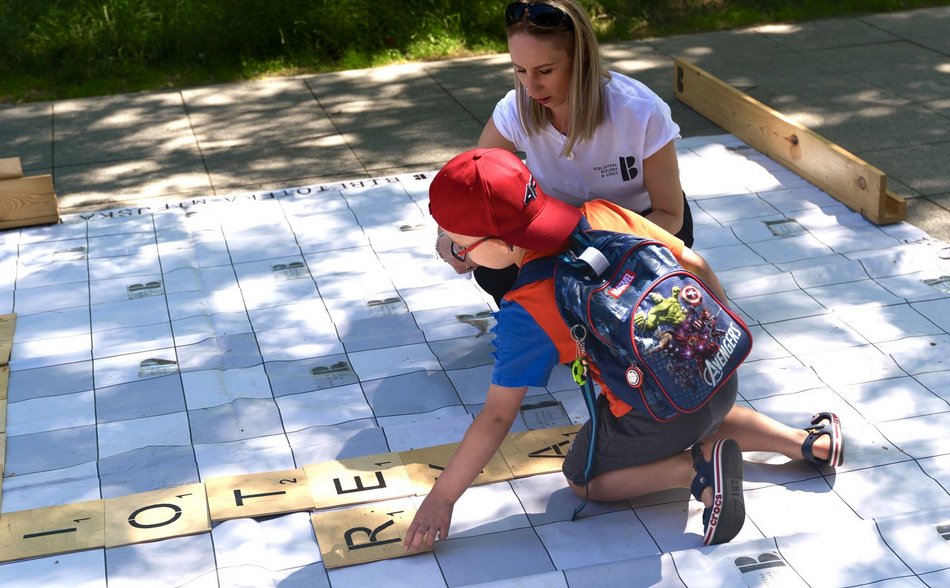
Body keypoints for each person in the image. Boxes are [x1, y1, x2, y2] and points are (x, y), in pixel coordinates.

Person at [405, 148, 844, 551]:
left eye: (461, 245)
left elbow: (498, 416)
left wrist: (443, 498)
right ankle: (807, 444)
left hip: (658, 415)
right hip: (716, 372)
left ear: (501, 246)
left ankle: (697, 470)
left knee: (581, 478)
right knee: (701, 407)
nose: (457, 251)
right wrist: (715, 336)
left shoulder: (528, 310)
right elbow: (695, 263)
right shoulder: (601, 212)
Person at [436, 0, 693, 306]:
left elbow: (671, 215)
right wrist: (452, 241)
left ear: (581, 58)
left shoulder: (640, 110)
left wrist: (596, 246)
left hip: (637, 224)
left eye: (545, 70)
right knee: (495, 269)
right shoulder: (514, 109)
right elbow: (470, 185)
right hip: (554, 231)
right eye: (520, 70)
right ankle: (547, 324)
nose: (531, 86)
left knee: (609, 287)